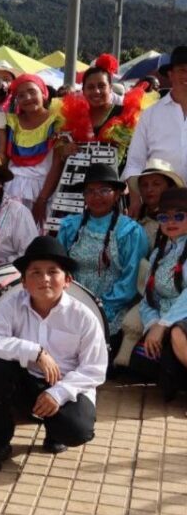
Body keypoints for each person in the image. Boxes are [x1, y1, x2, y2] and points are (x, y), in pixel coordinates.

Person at [0, 236, 107, 473]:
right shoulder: (11, 303)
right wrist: (35, 352)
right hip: (24, 380)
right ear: (24, 282)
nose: (44, 278)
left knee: (77, 431)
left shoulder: (83, 316)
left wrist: (57, 394)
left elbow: (94, 370)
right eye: (35, 272)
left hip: (65, 385)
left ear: (67, 280)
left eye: (52, 272)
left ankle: (54, 430)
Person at [57, 164, 148, 351]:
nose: (96, 196)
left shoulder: (130, 231)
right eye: (90, 191)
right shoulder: (69, 226)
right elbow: (57, 267)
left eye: (104, 190)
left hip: (111, 311)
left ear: (116, 195)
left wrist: (99, 309)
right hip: (69, 304)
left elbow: (130, 281)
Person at [136, 188, 187, 400]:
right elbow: (147, 299)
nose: (171, 221)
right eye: (164, 216)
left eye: (179, 215)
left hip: (179, 320)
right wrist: (153, 324)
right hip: (166, 320)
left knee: (177, 334)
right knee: (140, 362)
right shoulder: (159, 253)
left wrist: (164, 325)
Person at [59, 57, 150, 170]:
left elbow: (139, 155)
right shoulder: (73, 117)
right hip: (79, 184)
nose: (96, 91)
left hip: (117, 184)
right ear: (83, 90)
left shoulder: (126, 115)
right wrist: (64, 152)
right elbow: (60, 154)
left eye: (101, 86)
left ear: (110, 88)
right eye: (90, 87)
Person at [123, 46, 187, 199]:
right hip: (161, 204)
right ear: (170, 74)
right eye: (182, 70)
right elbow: (134, 163)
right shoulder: (151, 114)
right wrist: (135, 199)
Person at [3, 74, 66, 221]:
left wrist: (42, 198)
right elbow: (6, 158)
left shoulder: (57, 120)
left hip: (44, 190)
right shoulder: (12, 122)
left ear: (43, 93)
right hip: (10, 190)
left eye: (32, 92)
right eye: (21, 95)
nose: (28, 98)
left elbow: (57, 163)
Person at [134, 158, 184, 248]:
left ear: (170, 187)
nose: (149, 189)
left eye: (156, 184)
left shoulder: (183, 219)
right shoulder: (135, 223)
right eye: (144, 185)